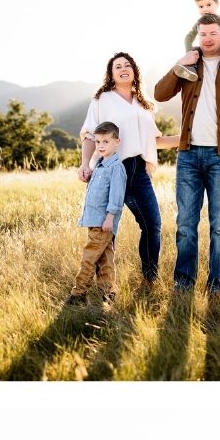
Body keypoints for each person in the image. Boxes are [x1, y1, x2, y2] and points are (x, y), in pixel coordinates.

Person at [154, 20, 220, 299]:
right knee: (185, 224)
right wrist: (179, 63)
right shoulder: (189, 64)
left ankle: (219, 284)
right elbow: (160, 94)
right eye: (203, 34)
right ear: (197, 36)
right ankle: (183, 282)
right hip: (188, 155)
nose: (208, 38)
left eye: (214, 33)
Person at [77, 56, 161, 292]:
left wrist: (187, 137)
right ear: (111, 74)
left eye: (128, 65)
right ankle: (104, 287)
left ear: (135, 71)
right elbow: (90, 135)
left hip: (138, 170)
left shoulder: (143, 104)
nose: (124, 69)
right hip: (109, 169)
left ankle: (149, 279)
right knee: (105, 231)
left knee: (152, 225)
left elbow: (154, 141)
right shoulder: (102, 99)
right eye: (118, 66)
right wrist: (85, 164)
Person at [66, 121, 127, 311]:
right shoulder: (99, 165)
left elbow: (116, 196)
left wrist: (110, 217)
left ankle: (78, 294)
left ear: (117, 142)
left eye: (106, 141)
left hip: (103, 222)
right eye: (98, 141)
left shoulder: (116, 167)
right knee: (105, 259)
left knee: (89, 257)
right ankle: (108, 294)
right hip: (94, 220)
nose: (101, 145)